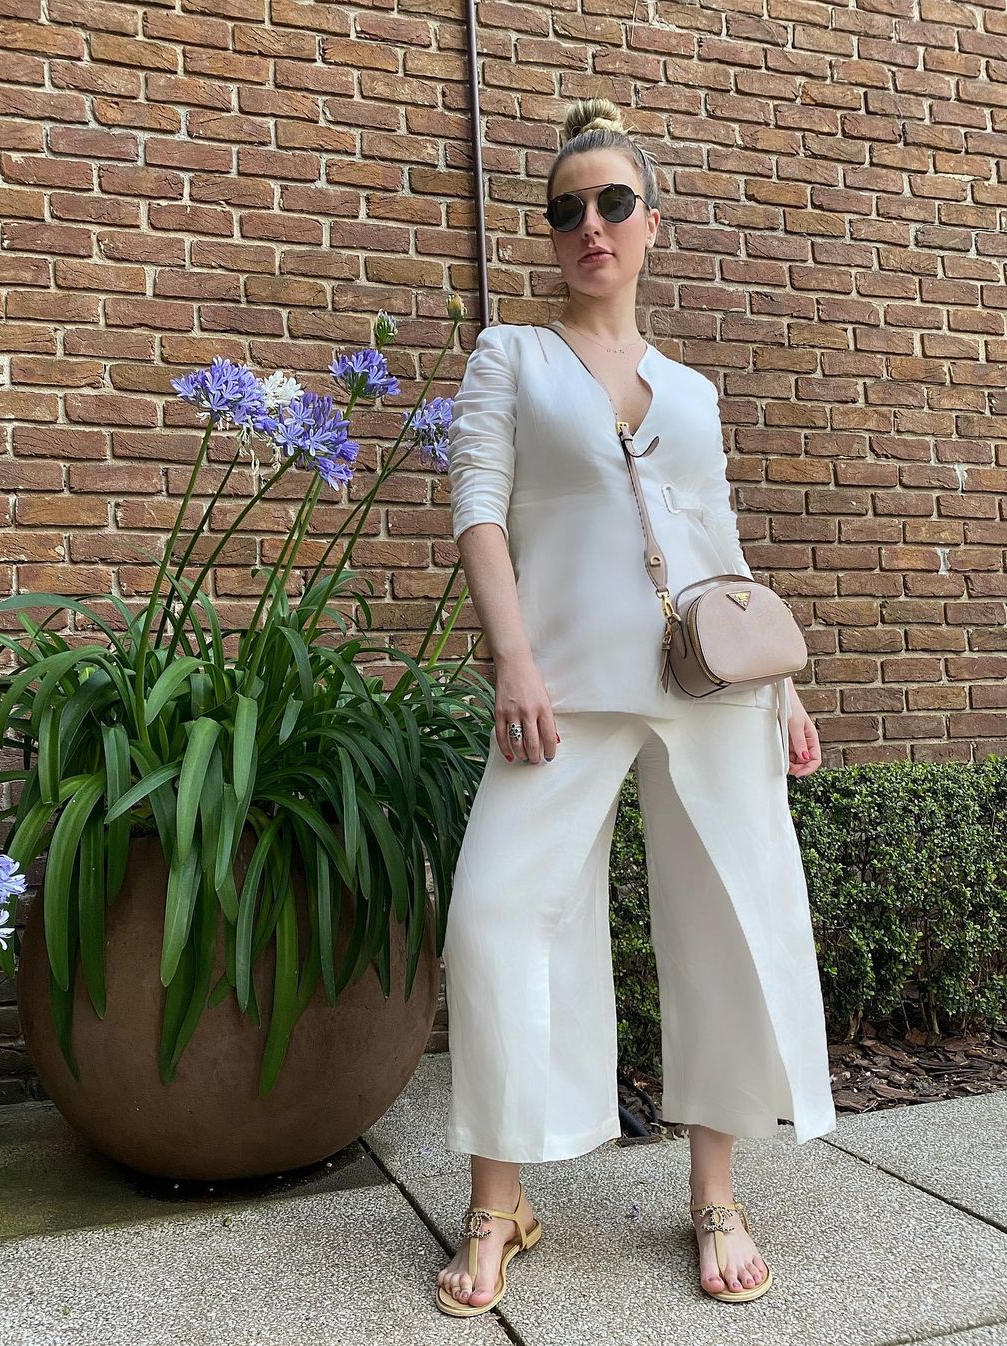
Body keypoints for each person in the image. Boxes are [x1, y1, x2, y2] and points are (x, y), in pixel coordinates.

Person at [434, 97, 836, 1318]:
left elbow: (720, 543)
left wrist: (783, 685)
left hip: (709, 685)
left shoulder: (692, 391)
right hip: (561, 684)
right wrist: (513, 659)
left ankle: (713, 1193)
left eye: (613, 203)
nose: (590, 226)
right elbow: (479, 509)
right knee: (494, 912)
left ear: (653, 222)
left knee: (728, 919)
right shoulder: (511, 356)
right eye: (567, 210)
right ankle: (500, 1198)